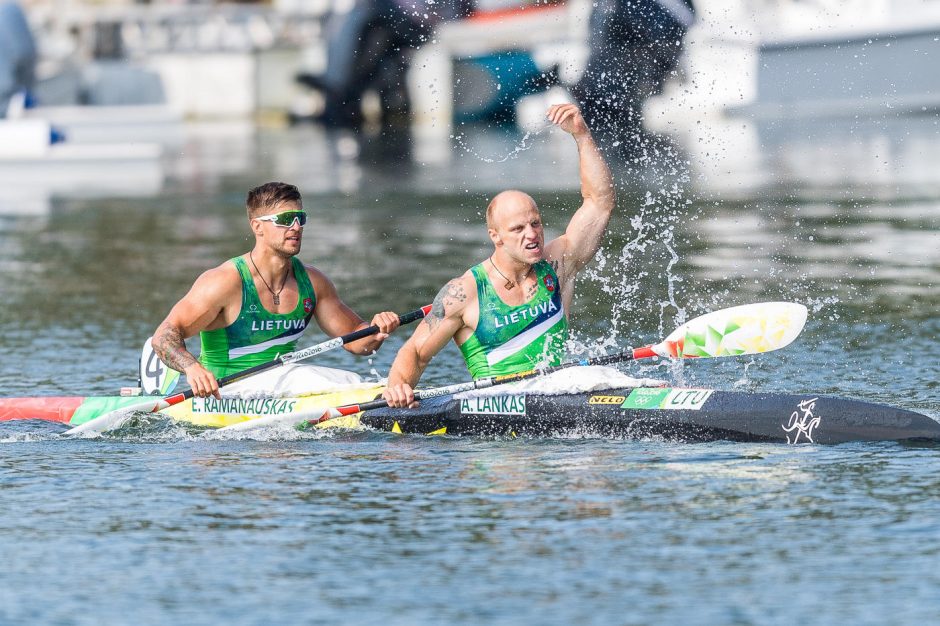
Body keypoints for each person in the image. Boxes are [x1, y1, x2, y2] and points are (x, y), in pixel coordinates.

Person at [382, 103, 615, 407]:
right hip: (499, 406)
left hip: (560, 389)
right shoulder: (463, 292)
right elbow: (415, 352)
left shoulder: (558, 264)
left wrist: (582, 135)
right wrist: (398, 389)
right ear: (496, 237)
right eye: (518, 228)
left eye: (535, 224)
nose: (531, 234)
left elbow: (600, 203)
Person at [152, 182, 401, 399]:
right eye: (284, 220)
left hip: (284, 384)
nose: (295, 227)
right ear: (257, 227)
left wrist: (375, 331)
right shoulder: (225, 282)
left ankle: (392, 399)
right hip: (226, 390)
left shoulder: (313, 282)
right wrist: (192, 368)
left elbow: (356, 342)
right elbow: (163, 337)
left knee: (345, 380)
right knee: (326, 381)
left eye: (300, 219)